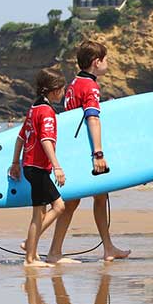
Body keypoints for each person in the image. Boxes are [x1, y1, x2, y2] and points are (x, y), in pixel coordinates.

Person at [59, 38, 130, 262]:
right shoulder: (90, 86)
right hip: (87, 153)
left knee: (97, 197)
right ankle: (43, 246)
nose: (108, 63)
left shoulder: (74, 84)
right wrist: (98, 153)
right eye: (106, 60)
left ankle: (108, 247)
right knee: (69, 203)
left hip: (75, 150)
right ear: (96, 62)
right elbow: (92, 118)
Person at [9, 68, 66, 268]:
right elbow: (46, 140)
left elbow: (20, 137)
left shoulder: (33, 108)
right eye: (62, 89)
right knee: (59, 207)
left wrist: (16, 162)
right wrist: (57, 167)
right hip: (39, 168)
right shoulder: (47, 112)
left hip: (29, 166)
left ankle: (31, 255)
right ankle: (29, 252)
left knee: (39, 212)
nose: (63, 93)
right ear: (54, 90)